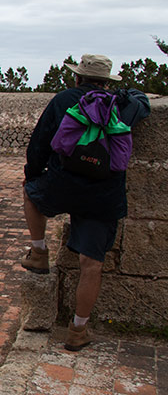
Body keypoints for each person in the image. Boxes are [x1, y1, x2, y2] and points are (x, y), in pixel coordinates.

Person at [21, 54, 150, 351]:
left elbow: (39, 143)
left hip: (63, 182)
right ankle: (78, 331)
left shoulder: (64, 99)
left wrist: (33, 175)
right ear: (107, 82)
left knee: (31, 193)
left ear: (77, 78)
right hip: (103, 193)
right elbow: (141, 103)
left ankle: (39, 253)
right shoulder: (123, 104)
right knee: (91, 265)